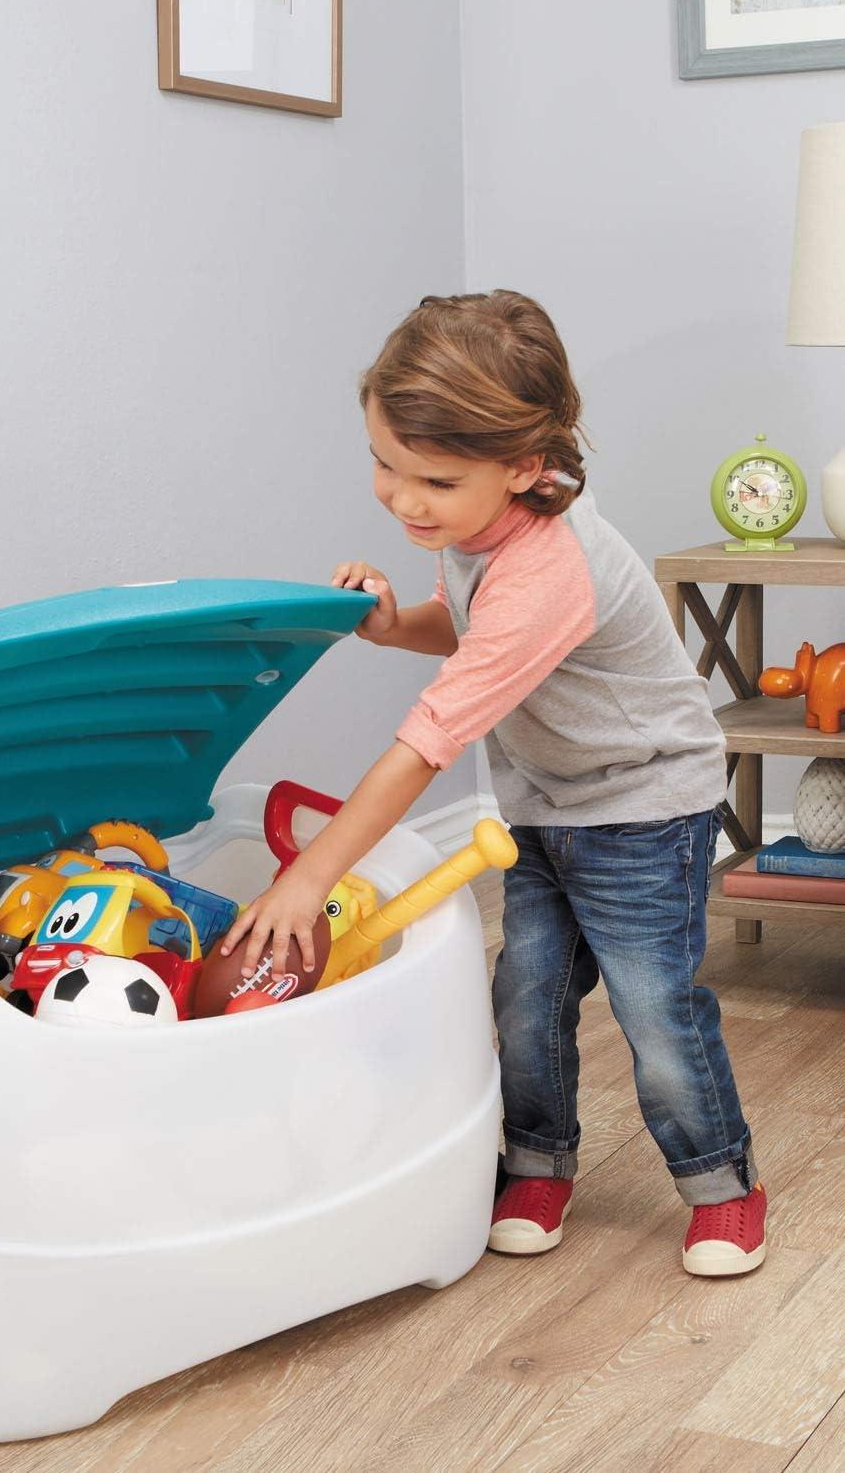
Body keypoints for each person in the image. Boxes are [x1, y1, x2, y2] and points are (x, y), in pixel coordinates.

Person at [221, 290, 765, 1277]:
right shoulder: (484, 530)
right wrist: (393, 625)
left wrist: (308, 877)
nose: (402, 498)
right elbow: (465, 625)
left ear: (525, 466)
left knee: (655, 1009)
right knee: (526, 994)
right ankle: (538, 1162)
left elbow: (427, 743)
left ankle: (721, 1183)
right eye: (384, 463)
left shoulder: (549, 568)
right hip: (548, 803)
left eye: (433, 477)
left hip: (642, 806)